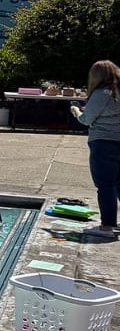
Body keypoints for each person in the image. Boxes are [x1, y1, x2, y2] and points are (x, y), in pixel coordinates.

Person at [71, 60, 120, 236]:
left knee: (105, 185)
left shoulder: (102, 93)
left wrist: (76, 111)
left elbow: (86, 120)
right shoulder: (116, 92)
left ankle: (107, 226)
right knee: (118, 184)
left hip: (104, 142)